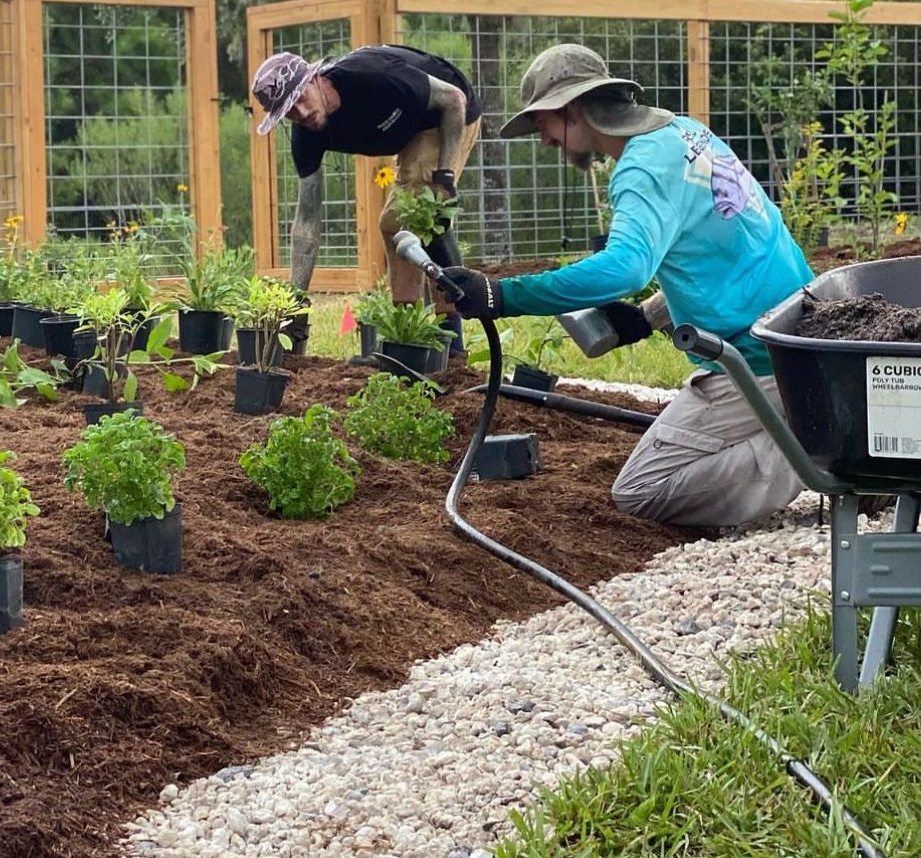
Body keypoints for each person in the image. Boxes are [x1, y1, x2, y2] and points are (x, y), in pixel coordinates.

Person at [441, 42, 813, 527]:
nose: (544, 140)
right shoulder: (686, 133)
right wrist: (646, 318)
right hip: (800, 328)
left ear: (570, 108)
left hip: (756, 358)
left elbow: (625, 269)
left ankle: (820, 450)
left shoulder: (640, 168)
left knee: (641, 490)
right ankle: (813, 425)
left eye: (541, 124)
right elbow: (727, 246)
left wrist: (502, 294)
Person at [250, 45, 483, 315]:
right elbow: (307, 219)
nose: (301, 113)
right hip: (411, 129)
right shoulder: (306, 136)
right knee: (395, 225)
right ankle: (408, 331)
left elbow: (454, 99)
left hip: (448, 114)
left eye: (301, 98)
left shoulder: (369, 76)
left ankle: (451, 335)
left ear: (314, 78)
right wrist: (295, 300)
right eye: (289, 111)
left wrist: (445, 176)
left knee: (419, 217)